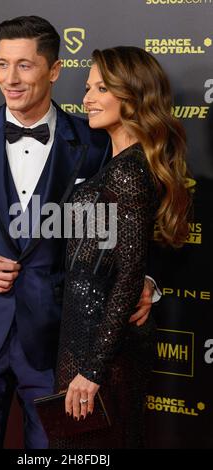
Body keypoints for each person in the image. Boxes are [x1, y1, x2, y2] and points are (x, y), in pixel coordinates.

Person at [0, 18, 157, 449]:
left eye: (25, 66)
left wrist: (144, 278)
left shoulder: (94, 138)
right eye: (2, 63)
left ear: (54, 70)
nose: (9, 79)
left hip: (57, 341)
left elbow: (123, 223)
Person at [52, 46, 191, 449]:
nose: (87, 98)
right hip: (86, 333)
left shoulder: (129, 173)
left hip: (103, 345)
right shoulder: (115, 164)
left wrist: (94, 368)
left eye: (100, 88)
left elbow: (129, 273)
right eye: (87, 87)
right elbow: (106, 256)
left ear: (132, 96)